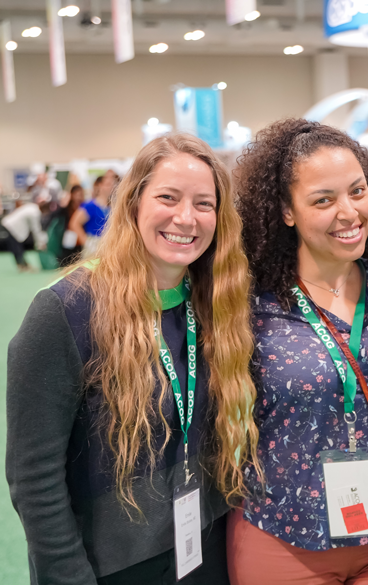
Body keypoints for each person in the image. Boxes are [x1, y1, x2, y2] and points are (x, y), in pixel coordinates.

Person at [7, 134, 259, 584]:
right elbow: (33, 475)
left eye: (204, 203)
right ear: (134, 202)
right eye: (168, 197)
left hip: (205, 549)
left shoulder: (215, 303)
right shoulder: (66, 310)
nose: (186, 217)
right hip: (110, 566)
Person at [230, 118, 368, 584]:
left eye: (357, 192)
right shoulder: (251, 304)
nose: (349, 212)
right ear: (286, 211)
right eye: (323, 200)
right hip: (283, 536)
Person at [69, 170, 118, 258]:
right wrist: (87, 242)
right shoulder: (90, 206)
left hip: (108, 245)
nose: (111, 187)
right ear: (100, 185)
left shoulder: (112, 207)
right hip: (94, 244)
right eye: (107, 184)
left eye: (112, 185)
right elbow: (74, 223)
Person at [1, 194, 49, 271]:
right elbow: (35, 229)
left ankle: (23, 265)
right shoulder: (35, 213)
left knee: (17, 246)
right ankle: (22, 266)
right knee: (16, 246)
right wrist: (41, 242)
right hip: (10, 226)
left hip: (10, 225)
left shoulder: (33, 207)